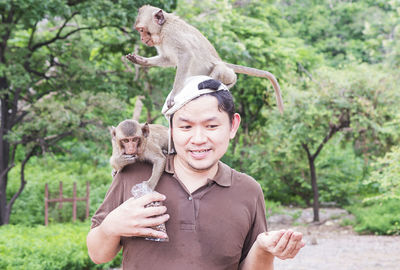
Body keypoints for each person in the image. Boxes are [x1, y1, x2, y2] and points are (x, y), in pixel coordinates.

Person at [87, 75, 305, 270]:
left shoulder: (248, 190)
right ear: (170, 130)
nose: (199, 139)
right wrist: (110, 227)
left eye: (211, 126)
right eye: (186, 127)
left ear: (233, 126)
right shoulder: (133, 175)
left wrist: (263, 249)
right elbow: (97, 254)